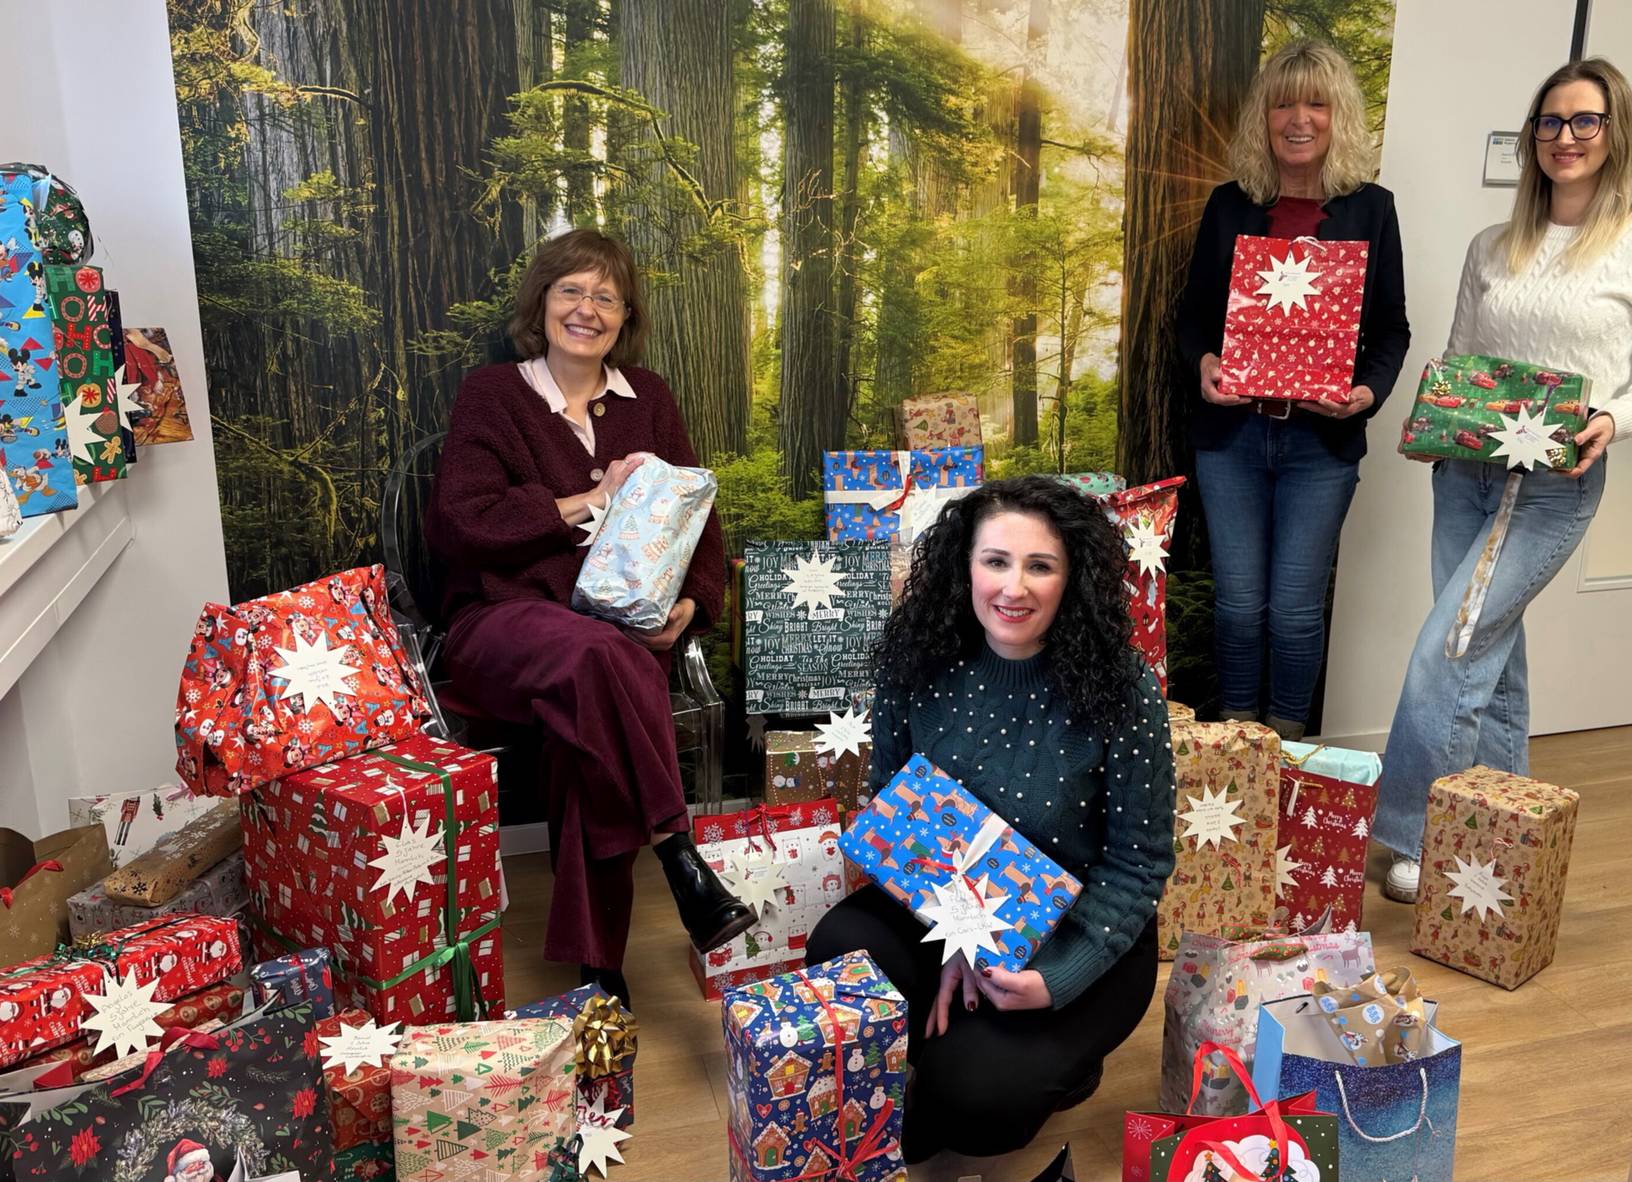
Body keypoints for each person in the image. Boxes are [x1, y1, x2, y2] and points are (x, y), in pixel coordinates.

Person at [1373, 58, 1632, 901]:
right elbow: (1463, 357)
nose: (1565, 138)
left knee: (1452, 645)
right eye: (1550, 122)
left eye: (1584, 121)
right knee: (1491, 649)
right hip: (1466, 471)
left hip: (1557, 481)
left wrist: (1613, 419)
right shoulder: (1495, 244)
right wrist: (1433, 423)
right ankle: (1508, 817)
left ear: (1614, 131)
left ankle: (1416, 830)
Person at [805, 476, 1175, 1162]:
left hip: (1080, 930)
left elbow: (1139, 863)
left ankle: (1023, 1071)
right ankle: (946, 1063)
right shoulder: (917, 661)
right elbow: (898, 817)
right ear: (963, 566)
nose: (1015, 588)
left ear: (1074, 579)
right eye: (996, 561)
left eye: (1041, 566)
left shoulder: (1124, 689)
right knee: (840, 949)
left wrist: (1052, 980)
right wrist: (957, 935)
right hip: (947, 905)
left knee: (980, 1104)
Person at [430, 229, 754, 1001]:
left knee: (593, 722)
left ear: (625, 314)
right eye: (571, 290)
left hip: (620, 628)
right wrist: (589, 499)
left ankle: (600, 974)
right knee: (602, 665)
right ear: (540, 303)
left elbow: (699, 522)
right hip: (502, 624)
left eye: (606, 296)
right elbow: (459, 522)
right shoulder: (494, 393)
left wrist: (690, 605)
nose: (587, 308)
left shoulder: (652, 400)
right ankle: (680, 853)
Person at [1176, 39, 1410, 742]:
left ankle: (1289, 747)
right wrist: (1206, 363)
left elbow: (1393, 329)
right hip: (1233, 438)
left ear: (1340, 116)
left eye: (1317, 102)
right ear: (1264, 117)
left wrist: (1364, 395)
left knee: (1298, 609)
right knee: (1241, 605)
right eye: (1284, 102)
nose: (1299, 118)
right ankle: (1241, 741)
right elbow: (1192, 318)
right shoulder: (1230, 205)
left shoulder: (1372, 210)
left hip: (1321, 442)